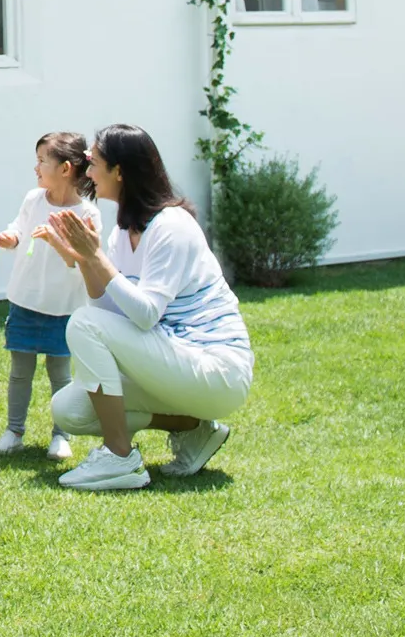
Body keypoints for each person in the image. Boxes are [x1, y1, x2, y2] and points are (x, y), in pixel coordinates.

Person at [36, 124, 254, 491]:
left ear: (119, 171)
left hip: (218, 370)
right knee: (69, 409)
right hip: (177, 360)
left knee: (83, 323)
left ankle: (120, 457)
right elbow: (111, 313)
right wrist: (88, 261)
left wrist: (97, 259)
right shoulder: (123, 231)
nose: (87, 172)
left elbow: (145, 314)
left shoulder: (172, 226)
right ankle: (195, 428)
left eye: (94, 163)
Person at [0, 132, 103, 461]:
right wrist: (11, 237)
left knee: (60, 375)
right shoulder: (33, 200)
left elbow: (81, 261)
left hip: (64, 308)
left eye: (41, 161)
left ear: (65, 168)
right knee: (20, 371)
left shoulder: (88, 215)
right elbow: (21, 229)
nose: (35, 168)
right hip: (25, 302)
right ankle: (14, 432)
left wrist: (55, 239)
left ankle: (61, 435)